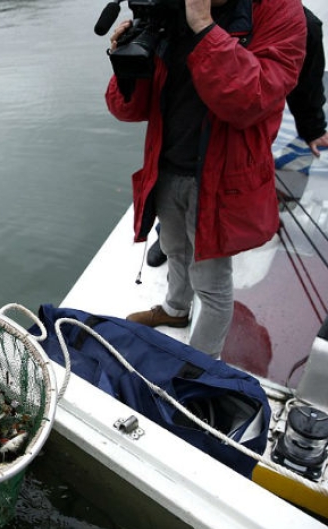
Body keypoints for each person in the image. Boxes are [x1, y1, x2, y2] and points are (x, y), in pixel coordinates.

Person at [106, 0, 306, 357]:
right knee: (173, 248)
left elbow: (251, 99)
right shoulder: (168, 12)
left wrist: (203, 24)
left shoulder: (278, 11)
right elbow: (129, 109)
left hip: (222, 174)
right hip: (166, 163)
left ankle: (201, 368)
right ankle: (175, 310)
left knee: (211, 281)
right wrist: (127, 60)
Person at [146, 4, 327, 268]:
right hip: (184, 132)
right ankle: (170, 233)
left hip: (244, 116)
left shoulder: (294, 18)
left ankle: (246, 222)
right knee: (181, 164)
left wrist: (312, 127)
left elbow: (304, 76)